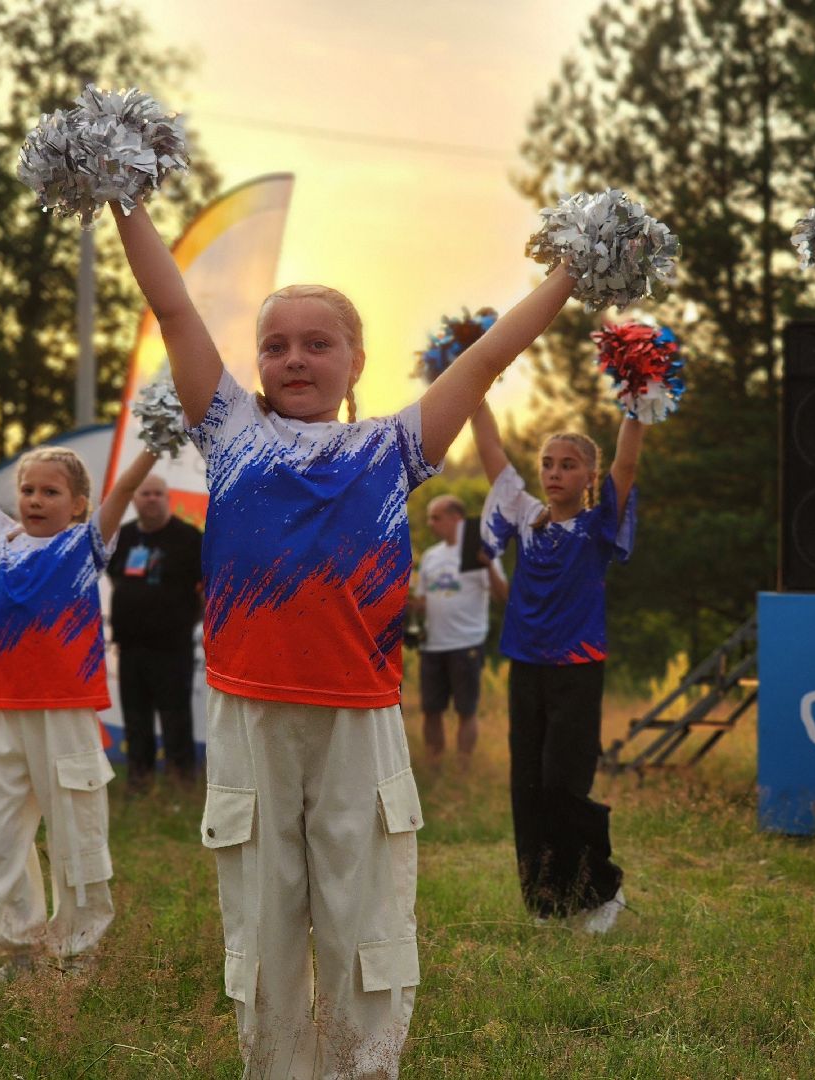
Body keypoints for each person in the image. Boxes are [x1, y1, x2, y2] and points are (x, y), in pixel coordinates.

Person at [112, 197, 574, 1077]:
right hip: (250, 718)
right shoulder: (228, 429)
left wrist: (570, 273)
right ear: (253, 364)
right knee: (266, 913)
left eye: (318, 343)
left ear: (356, 361)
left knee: (364, 918)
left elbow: (486, 359)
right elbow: (171, 305)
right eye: (276, 345)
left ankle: (364, 1067)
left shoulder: (392, 447)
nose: (295, 358)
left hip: (359, 720)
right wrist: (121, 195)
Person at [0, 420, 157, 984]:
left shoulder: (85, 544)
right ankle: (21, 956)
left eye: (50, 492)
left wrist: (155, 442)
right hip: (2, 711)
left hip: (67, 711)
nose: (35, 500)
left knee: (76, 831)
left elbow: (121, 492)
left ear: (77, 505)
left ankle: (75, 957)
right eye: (28, 490)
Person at [471, 402, 641, 935]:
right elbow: (491, 451)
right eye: (548, 462)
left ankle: (603, 891)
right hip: (526, 665)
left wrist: (637, 403)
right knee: (527, 788)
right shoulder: (525, 516)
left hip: (577, 669)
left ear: (589, 476)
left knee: (563, 785)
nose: (553, 472)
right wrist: (475, 385)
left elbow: (628, 466)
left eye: (568, 464)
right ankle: (547, 901)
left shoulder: (597, 525)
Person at [105, 473, 203, 790]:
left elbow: (205, 590)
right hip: (131, 646)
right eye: (145, 494)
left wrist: (186, 619)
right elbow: (116, 577)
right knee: (136, 719)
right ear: (134, 499)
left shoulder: (189, 538)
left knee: (175, 717)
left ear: (167, 498)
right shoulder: (124, 536)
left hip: (172, 647)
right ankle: (139, 779)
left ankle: (181, 779)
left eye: (157, 494)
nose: (151, 499)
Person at [410, 494, 506, 761]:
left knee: (466, 710)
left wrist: (489, 567)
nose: (430, 523)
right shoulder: (430, 556)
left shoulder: (481, 553)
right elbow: (422, 602)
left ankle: (464, 767)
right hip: (432, 645)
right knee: (431, 709)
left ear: (456, 518)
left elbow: (503, 596)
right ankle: (434, 763)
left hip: (466, 643)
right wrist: (408, 602)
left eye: (436, 517)